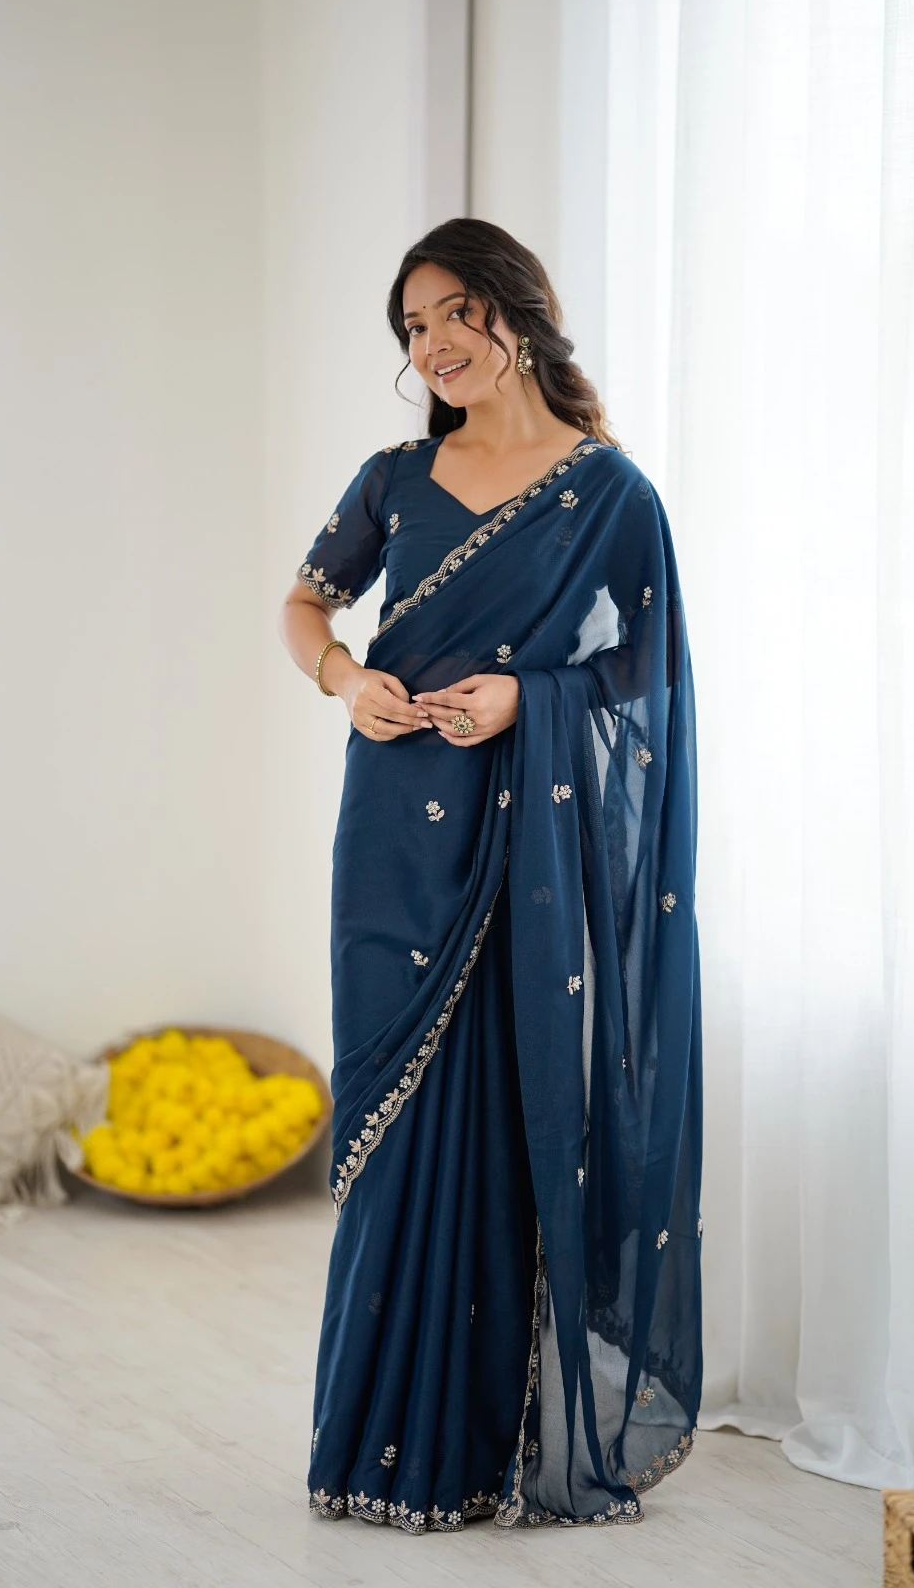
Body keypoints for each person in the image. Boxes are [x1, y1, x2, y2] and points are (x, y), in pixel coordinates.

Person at [277, 217, 702, 1533]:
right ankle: (374, 1448)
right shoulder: (395, 480)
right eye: (412, 328)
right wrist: (343, 679)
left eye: (453, 312)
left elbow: (648, 672)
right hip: (394, 833)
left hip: (528, 843)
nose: (433, 344)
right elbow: (303, 604)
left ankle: (478, 1451)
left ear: (515, 313)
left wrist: (530, 697)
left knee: (511, 1117)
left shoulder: (609, 494)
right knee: (393, 1128)